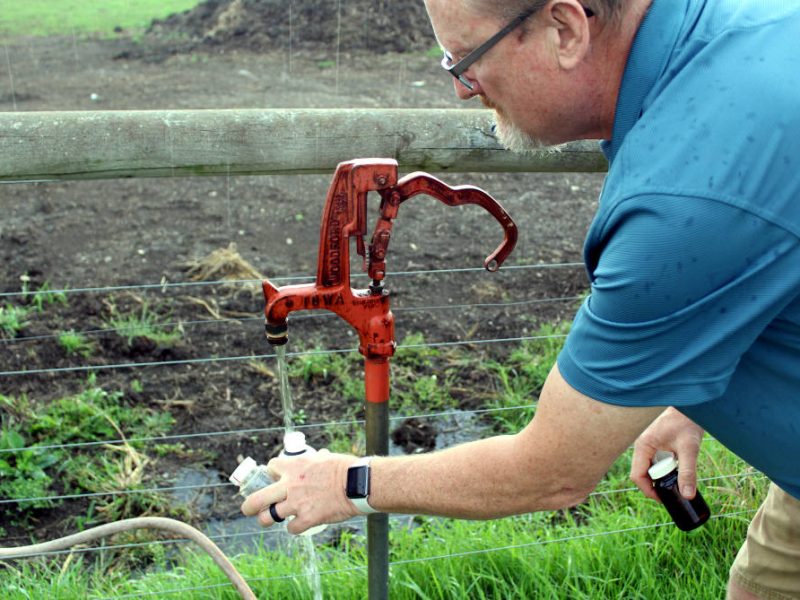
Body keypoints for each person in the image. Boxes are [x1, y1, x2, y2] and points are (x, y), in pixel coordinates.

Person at [242, 1, 800, 597]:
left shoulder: (689, 198)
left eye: (468, 61)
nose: (463, 90)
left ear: (565, 29)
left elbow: (552, 472)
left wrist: (346, 483)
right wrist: (687, 394)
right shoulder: (739, 32)